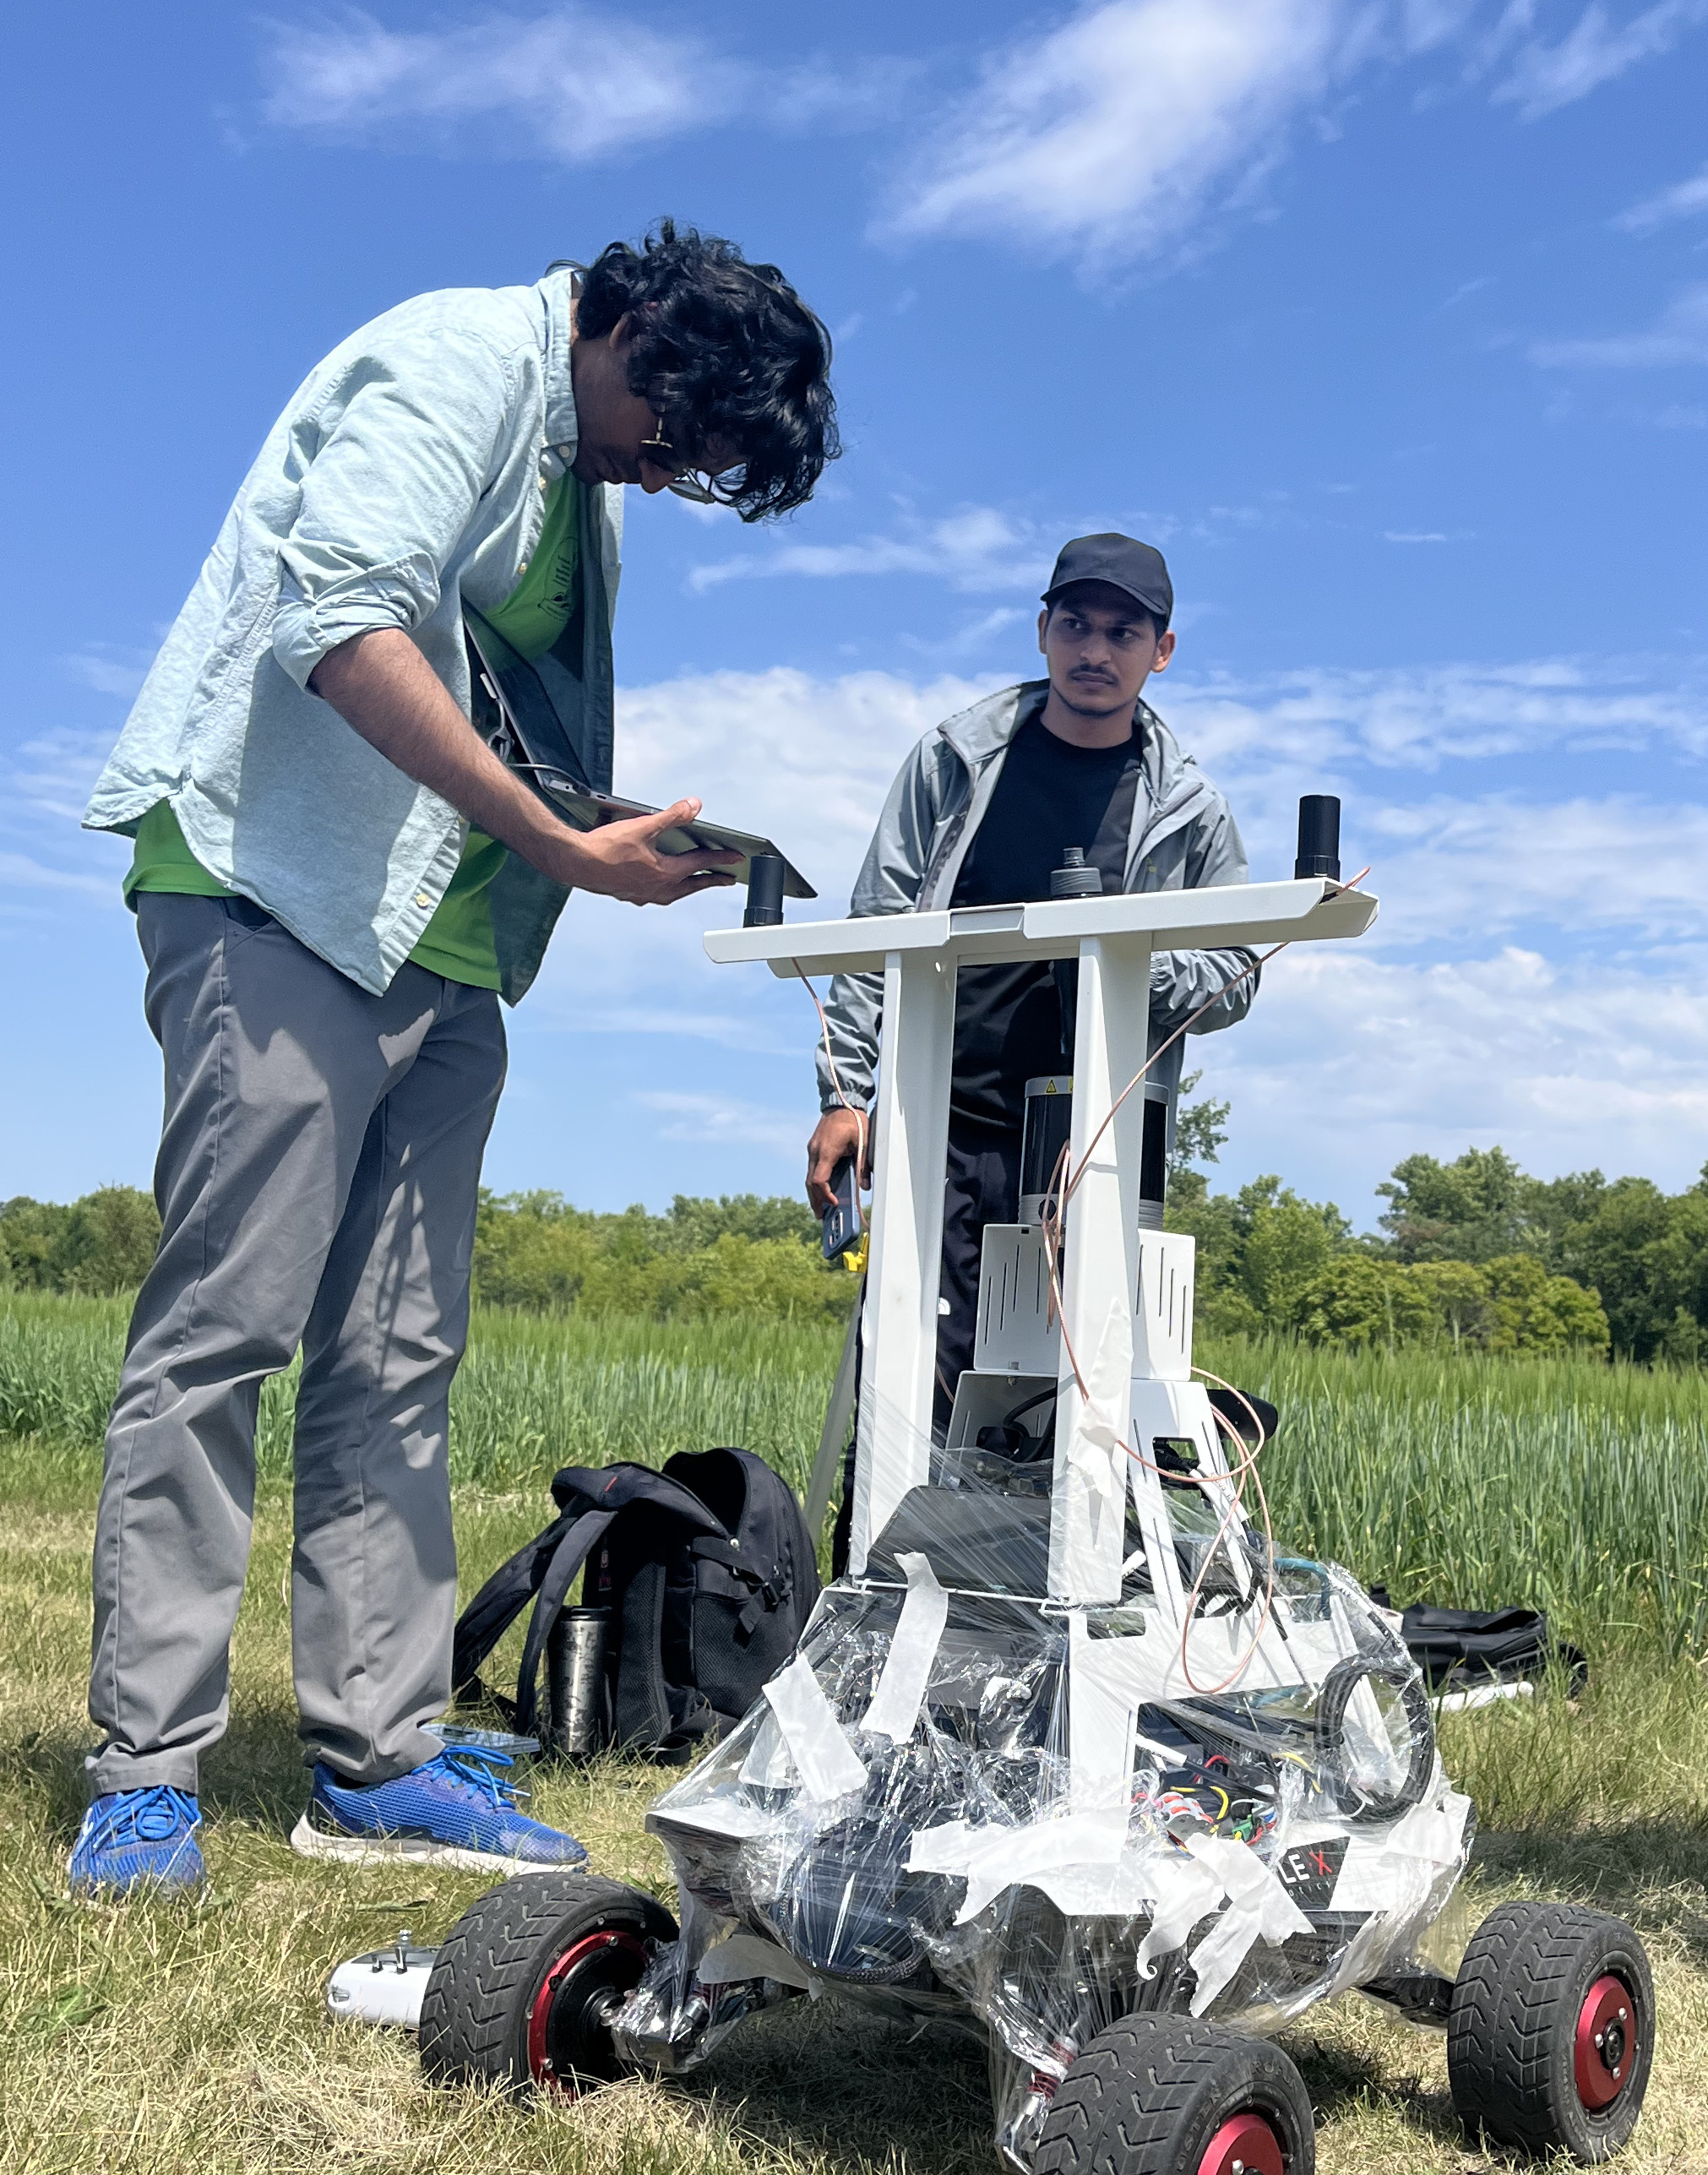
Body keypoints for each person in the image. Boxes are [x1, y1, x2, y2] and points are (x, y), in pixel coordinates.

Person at [71, 225, 838, 1897]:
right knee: (224, 1335)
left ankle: (380, 1753)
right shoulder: (452, 363)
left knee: (396, 1355)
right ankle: (143, 1769)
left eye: (699, 467)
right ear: (629, 327)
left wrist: (597, 826)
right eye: (671, 433)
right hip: (282, 896)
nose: (665, 470)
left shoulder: (587, 473)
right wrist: (558, 846)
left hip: (450, 942)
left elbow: (491, 709)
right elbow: (342, 623)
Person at [803, 533, 1254, 1443]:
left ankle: (1056, 1539)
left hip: (1091, 1140)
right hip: (938, 1119)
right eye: (1076, 625)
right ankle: (883, 1538)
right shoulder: (954, 762)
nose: (1096, 651)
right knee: (909, 1375)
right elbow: (873, 931)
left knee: (1066, 1394)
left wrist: (1117, 957)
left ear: (1162, 650)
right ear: (1042, 630)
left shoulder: (1190, 808)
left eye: (1123, 633)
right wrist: (847, 1095)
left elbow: (1234, 975)